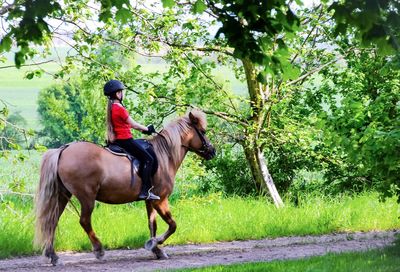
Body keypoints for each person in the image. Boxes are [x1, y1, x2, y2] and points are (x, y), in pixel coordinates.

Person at [103, 79, 160, 201]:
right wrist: (147, 129)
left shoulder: (111, 107)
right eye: (122, 92)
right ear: (118, 94)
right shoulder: (120, 109)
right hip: (125, 140)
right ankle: (145, 192)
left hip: (118, 140)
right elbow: (133, 124)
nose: (123, 94)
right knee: (148, 159)